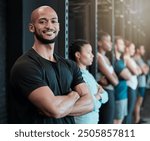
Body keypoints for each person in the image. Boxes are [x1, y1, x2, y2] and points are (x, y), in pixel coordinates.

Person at [10, 6, 94, 124]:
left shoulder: (70, 65)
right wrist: (74, 95)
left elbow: (90, 103)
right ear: (31, 27)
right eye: (42, 21)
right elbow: (54, 110)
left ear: (59, 26)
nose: (49, 26)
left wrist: (61, 108)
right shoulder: (25, 66)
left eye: (53, 21)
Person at [69, 39, 108, 124]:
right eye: (88, 52)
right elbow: (89, 104)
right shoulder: (77, 76)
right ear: (78, 55)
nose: (92, 55)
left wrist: (98, 97)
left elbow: (105, 95)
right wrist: (97, 97)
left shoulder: (88, 75)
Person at [97, 32, 118, 124]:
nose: (111, 43)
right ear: (99, 43)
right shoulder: (98, 57)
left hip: (110, 91)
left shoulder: (106, 58)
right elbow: (114, 81)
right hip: (106, 92)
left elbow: (115, 80)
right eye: (108, 41)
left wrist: (110, 80)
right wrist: (111, 80)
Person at [114, 36, 132, 124]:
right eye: (121, 44)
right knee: (117, 122)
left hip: (123, 94)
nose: (123, 46)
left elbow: (128, 75)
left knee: (120, 121)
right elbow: (128, 76)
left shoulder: (120, 60)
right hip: (118, 96)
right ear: (115, 46)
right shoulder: (115, 62)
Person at [123, 42, 141, 124]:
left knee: (130, 110)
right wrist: (137, 70)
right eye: (132, 48)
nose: (134, 50)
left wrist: (137, 70)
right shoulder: (126, 58)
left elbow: (139, 70)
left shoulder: (130, 59)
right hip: (130, 87)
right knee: (128, 111)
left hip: (133, 87)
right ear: (127, 48)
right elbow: (136, 72)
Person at [134, 45, 149, 123]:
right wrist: (144, 69)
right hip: (139, 84)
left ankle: (138, 118)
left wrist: (145, 69)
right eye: (142, 48)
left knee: (139, 102)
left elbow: (146, 69)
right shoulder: (135, 59)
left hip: (142, 84)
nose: (144, 50)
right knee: (138, 102)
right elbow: (145, 70)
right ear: (137, 50)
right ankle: (136, 120)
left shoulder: (140, 59)